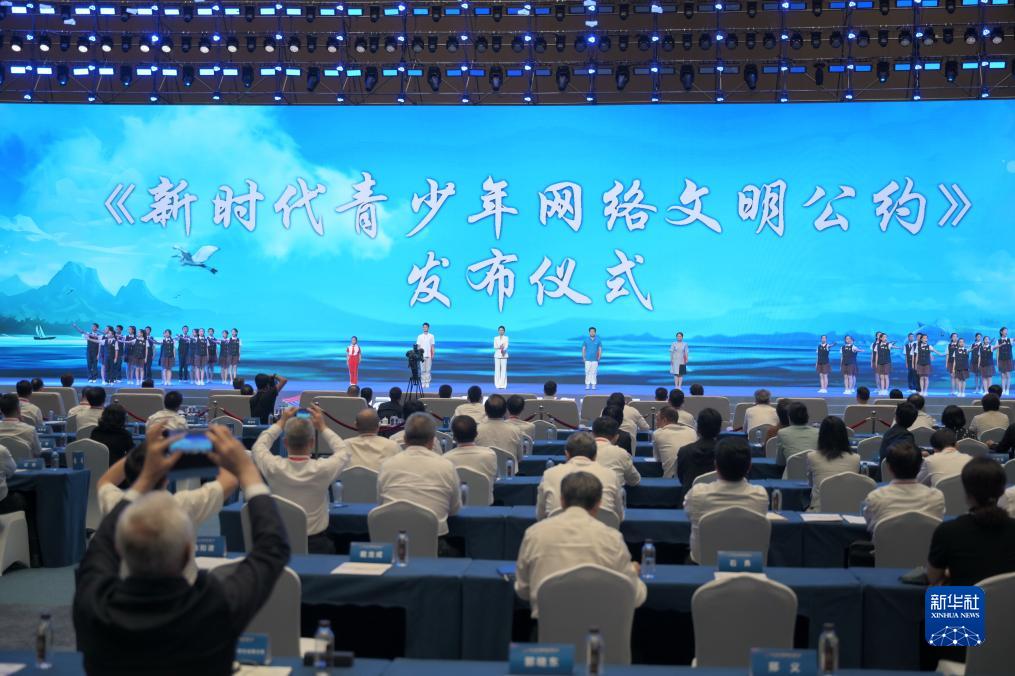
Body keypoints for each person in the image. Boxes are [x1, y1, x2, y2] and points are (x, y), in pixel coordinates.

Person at [72, 425, 290, 675]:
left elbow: (100, 538)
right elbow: (272, 548)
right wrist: (247, 470)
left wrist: (144, 472)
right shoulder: (214, 608)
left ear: (118, 548)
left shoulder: (95, 606)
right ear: (188, 551)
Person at [516, 472, 646, 618]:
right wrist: (632, 572)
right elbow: (636, 596)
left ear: (562, 501)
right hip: (601, 627)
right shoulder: (613, 539)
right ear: (599, 504)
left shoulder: (534, 534)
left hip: (548, 629)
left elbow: (523, 590)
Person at [251, 406, 350, 554]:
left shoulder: (273, 467)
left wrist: (281, 423)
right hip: (316, 546)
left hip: (279, 545)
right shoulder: (323, 469)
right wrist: (323, 427)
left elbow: (258, 446)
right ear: (312, 443)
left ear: (285, 443)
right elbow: (345, 451)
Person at [97, 428, 238, 530]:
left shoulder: (116, 503)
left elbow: (105, 481)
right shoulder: (183, 505)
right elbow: (230, 479)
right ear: (167, 477)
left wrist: (144, 449)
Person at [927, 457, 1015, 586]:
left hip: (964, 598)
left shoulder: (947, 531)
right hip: (1008, 599)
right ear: (1002, 490)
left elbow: (933, 578)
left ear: (967, 493)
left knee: (933, 592)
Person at [683, 437, 769, 563]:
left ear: (716, 466)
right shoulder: (760, 495)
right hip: (747, 564)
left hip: (702, 566)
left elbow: (688, 514)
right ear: (749, 467)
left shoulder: (697, 493)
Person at [377, 413, 461, 539]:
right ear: (432, 441)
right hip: (434, 540)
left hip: (393, 538)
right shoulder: (446, 466)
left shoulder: (387, 466)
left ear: (405, 439)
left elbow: (381, 504)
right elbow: (454, 510)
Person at [537, 431, 623, 521]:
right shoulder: (611, 475)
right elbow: (618, 517)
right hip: (602, 529)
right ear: (595, 456)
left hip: (556, 529)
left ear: (567, 454)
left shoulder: (549, 474)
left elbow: (541, 517)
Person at [862, 442, 945, 531]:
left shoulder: (875, 498)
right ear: (920, 466)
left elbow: (871, 529)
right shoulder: (936, 497)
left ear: (888, 467)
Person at [806, 416, 860, 511]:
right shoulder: (856, 458)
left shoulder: (811, 457)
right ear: (844, 435)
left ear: (821, 435)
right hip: (848, 511)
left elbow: (811, 484)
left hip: (819, 511)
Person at [444, 416, 498, 504]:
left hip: (455, 508)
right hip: (486, 505)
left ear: (453, 437)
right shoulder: (490, 454)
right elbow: (494, 479)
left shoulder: (445, 459)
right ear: (476, 434)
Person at [676, 408, 722, 486]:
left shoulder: (684, 451)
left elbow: (681, 479)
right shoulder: (725, 453)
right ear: (719, 429)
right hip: (718, 493)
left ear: (698, 428)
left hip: (690, 492)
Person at [591, 416, 641, 488]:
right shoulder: (622, 453)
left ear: (592, 434)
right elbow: (635, 480)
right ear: (616, 437)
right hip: (613, 494)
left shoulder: (582, 451)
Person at [652, 406, 697, 478]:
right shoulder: (692, 431)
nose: (656, 423)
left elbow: (658, 458)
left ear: (664, 420)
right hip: (693, 478)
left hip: (671, 480)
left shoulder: (657, 433)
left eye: (657, 420)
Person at [476, 394, 524, 460]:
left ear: (486, 412)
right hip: (508, 466)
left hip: (483, 466)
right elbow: (520, 458)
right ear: (505, 412)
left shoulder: (477, 430)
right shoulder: (516, 430)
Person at [776, 402, 819, 466]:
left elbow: (780, 463)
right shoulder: (818, 432)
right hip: (813, 471)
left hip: (791, 471)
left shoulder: (782, 433)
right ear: (807, 417)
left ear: (789, 418)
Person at [581, 326, 603, 391]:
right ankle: (587, 385)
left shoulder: (598, 340)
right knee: (587, 372)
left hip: (595, 359)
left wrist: (599, 357)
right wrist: (583, 357)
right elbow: (583, 349)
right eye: (591, 331)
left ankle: (593, 385)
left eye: (593, 331)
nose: (592, 332)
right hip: (587, 359)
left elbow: (600, 349)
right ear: (589, 332)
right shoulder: (586, 340)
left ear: (595, 332)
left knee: (594, 372)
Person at [416, 322, 436, 388]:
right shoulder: (419, 336)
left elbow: (432, 346)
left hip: (429, 355)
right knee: (422, 370)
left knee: (428, 370)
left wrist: (433, 354)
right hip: (422, 356)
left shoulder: (431, 336)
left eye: (426, 327)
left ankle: (427, 382)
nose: (425, 328)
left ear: (428, 328)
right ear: (422, 328)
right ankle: (423, 382)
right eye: (424, 327)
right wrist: (419, 355)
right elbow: (418, 346)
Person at [998, 326, 1013, 396]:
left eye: (1007, 331)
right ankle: (1003, 390)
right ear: (1001, 332)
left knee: (1008, 375)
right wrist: (997, 361)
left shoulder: (1010, 340)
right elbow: (997, 351)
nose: (1006, 332)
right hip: (1001, 359)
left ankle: (1007, 390)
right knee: (1003, 375)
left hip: (1008, 359)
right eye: (1005, 331)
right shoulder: (998, 341)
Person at [493, 325, 509, 389]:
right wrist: (500, 347)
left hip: (504, 355)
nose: (501, 331)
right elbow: (495, 346)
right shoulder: (495, 338)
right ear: (498, 331)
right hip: (497, 355)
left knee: (503, 370)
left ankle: (503, 385)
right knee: (497, 370)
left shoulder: (506, 338)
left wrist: (503, 349)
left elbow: (506, 346)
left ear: (504, 331)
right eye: (500, 330)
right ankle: (497, 384)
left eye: (502, 330)